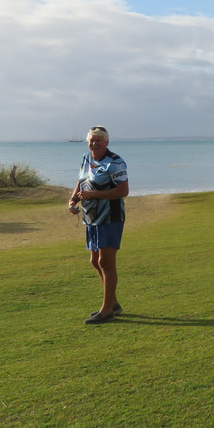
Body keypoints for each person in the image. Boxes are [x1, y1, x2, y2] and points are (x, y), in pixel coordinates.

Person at [69, 126, 129, 324]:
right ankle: (113, 303)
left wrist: (94, 194)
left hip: (110, 218)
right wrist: (72, 201)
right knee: (95, 261)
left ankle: (107, 310)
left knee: (106, 262)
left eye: (98, 140)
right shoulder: (86, 158)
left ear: (106, 142)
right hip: (91, 218)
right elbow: (81, 181)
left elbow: (123, 190)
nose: (94, 143)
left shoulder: (115, 162)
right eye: (91, 140)